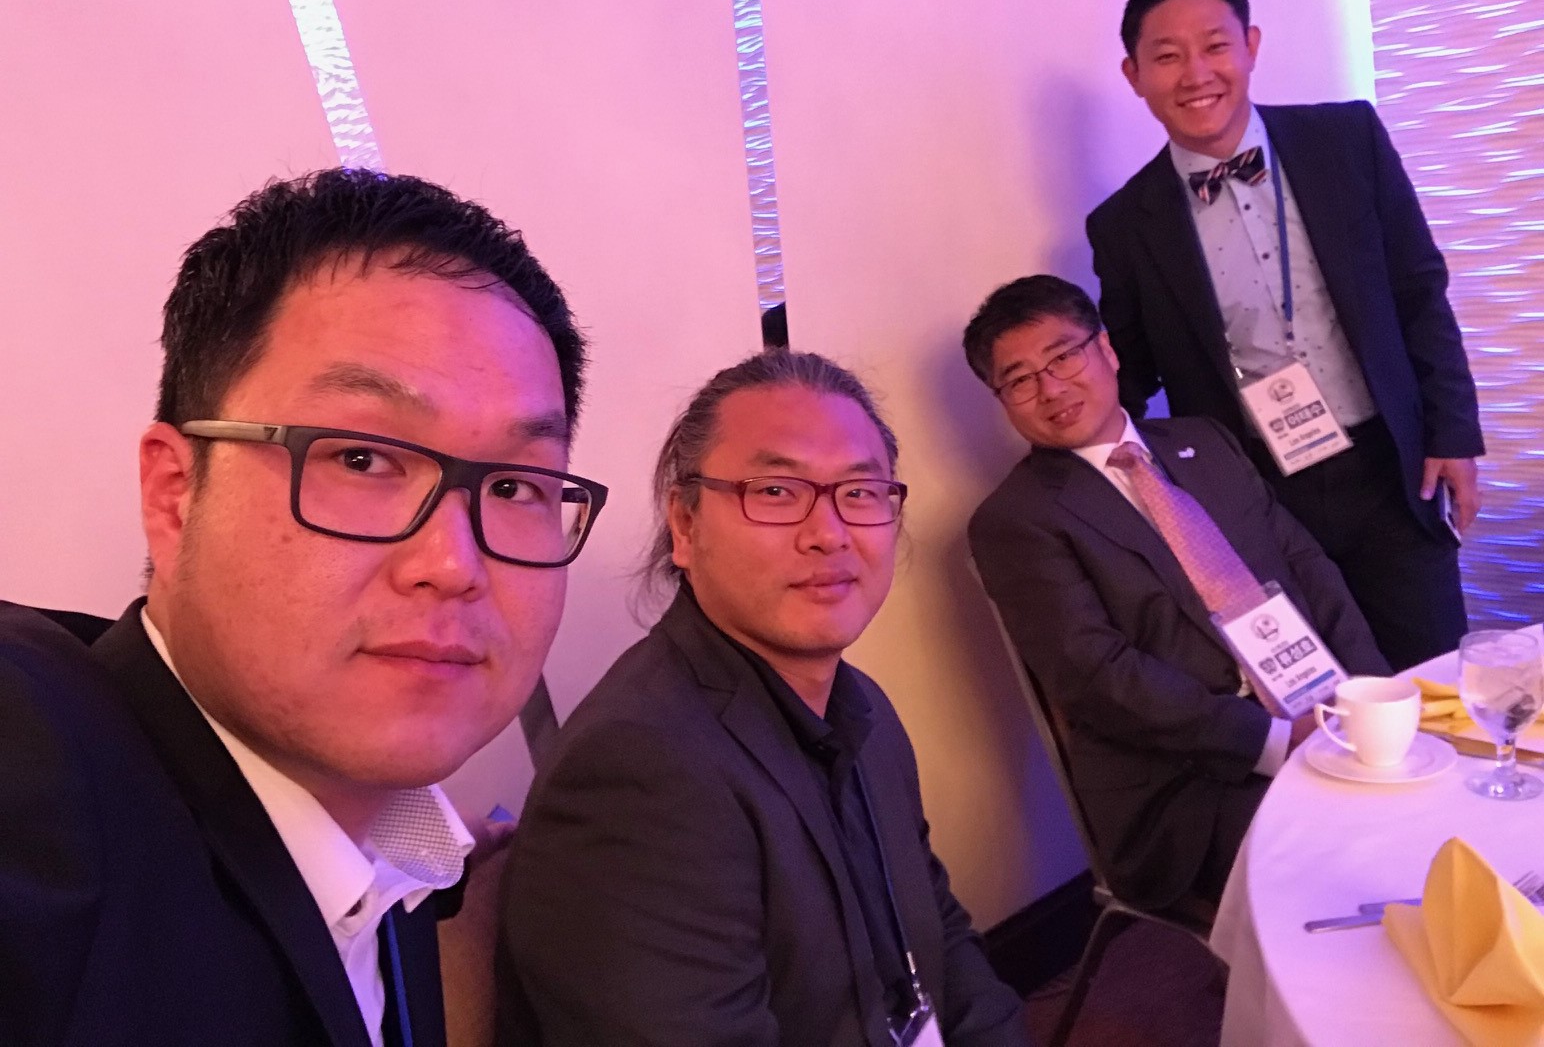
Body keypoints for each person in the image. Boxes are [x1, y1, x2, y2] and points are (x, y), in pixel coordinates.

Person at [0, 169, 606, 1047]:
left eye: (515, 486)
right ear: (175, 492)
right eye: (361, 459)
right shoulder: (42, 778)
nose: (452, 565)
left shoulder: (394, 863)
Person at [499, 350, 1028, 1047]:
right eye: (776, 491)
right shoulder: (638, 772)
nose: (829, 534)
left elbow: (940, 935)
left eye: (860, 492)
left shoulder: (861, 707)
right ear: (685, 525)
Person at [1086, 0, 1484, 670]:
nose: (1196, 74)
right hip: (1254, 499)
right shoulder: (1122, 225)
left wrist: (1452, 431)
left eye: (1215, 46)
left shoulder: (1347, 141)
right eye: (1167, 57)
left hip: (1389, 469)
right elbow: (1133, 373)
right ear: (1134, 75)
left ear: (1250, 46)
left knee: (1437, 677)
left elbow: (1418, 290)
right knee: (1322, 696)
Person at [965, 276, 1389, 911]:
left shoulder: (1206, 443)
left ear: (1107, 350)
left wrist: (1367, 692)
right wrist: (1276, 740)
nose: (1050, 389)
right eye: (1020, 380)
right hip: (1191, 784)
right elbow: (1099, 678)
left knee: (1447, 788)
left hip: (1322, 707)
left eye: (1063, 356)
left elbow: (1308, 567)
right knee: (1356, 854)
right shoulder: (1016, 521)